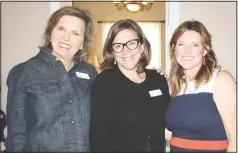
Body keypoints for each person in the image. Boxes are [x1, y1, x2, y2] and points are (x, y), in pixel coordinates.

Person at [6, 6, 97, 152]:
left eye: (75, 33)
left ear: (82, 43)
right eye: (61, 29)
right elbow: (16, 135)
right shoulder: (23, 72)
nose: (66, 38)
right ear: (50, 33)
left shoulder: (90, 73)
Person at [90, 19, 171, 152]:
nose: (125, 51)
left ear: (142, 46)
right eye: (118, 46)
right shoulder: (104, 83)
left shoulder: (158, 80)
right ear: (112, 52)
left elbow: (169, 122)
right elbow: (97, 136)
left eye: (132, 43)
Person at [165, 20, 236, 152]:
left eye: (195, 45)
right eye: (181, 44)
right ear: (174, 48)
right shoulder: (174, 86)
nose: (187, 51)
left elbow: (235, 139)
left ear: (205, 50)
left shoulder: (220, 79)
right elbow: (168, 133)